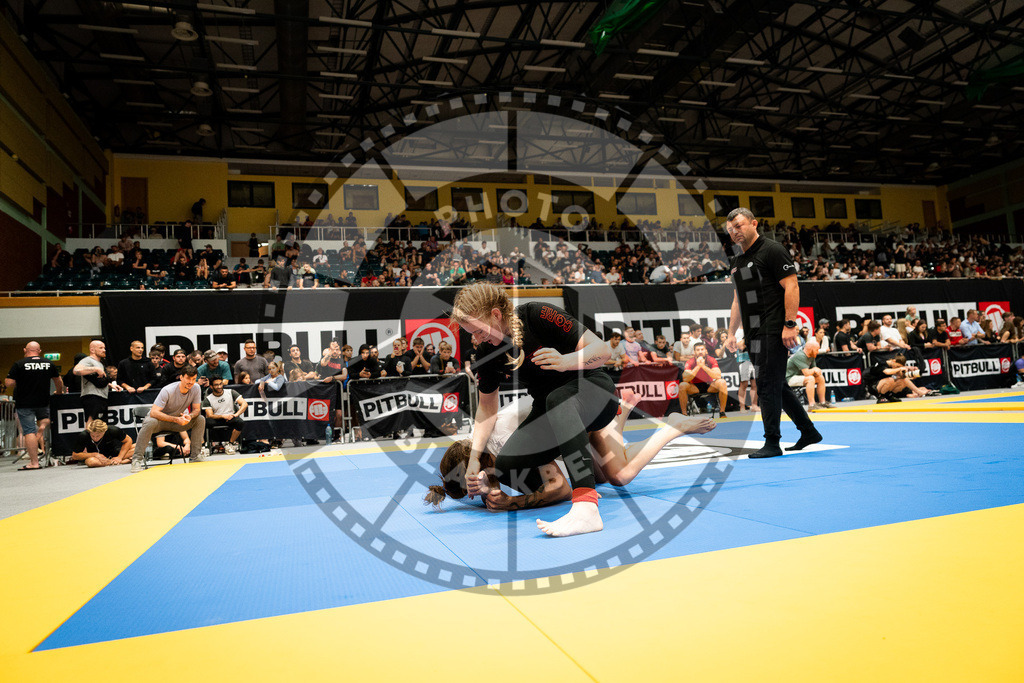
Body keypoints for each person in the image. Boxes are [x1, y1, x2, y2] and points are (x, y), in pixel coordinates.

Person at [450, 282, 617, 537]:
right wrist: (474, 457)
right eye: (470, 333)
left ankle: (586, 507)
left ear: (496, 314)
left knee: (558, 399)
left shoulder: (538, 314)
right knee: (507, 463)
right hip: (553, 409)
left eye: (479, 331)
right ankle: (561, 489)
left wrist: (566, 361)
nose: (476, 338)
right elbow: (486, 409)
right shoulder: (487, 353)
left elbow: (603, 350)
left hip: (596, 392)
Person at [426, 389, 717, 510]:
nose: (488, 488)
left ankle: (672, 427)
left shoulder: (504, 440)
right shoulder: (481, 448)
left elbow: (562, 489)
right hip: (569, 426)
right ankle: (624, 412)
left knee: (620, 475)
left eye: (480, 484)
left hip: (583, 414)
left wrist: (511, 504)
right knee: (599, 474)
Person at [725, 207, 819, 459]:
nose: (735, 232)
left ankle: (772, 442)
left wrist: (790, 324)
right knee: (776, 383)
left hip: (774, 329)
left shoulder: (773, 250)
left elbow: (791, 285)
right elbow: (737, 299)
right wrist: (731, 333)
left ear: (754, 224)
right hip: (754, 333)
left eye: (740, 225)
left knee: (766, 383)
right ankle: (808, 431)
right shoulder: (736, 262)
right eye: (731, 229)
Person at [130, 365, 207, 473]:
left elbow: (196, 409)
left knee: (200, 419)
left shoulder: (196, 388)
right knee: (150, 422)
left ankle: (195, 456)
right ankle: (136, 460)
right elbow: (153, 412)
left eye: (193, 379)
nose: (191, 382)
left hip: (176, 422)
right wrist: (176, 419)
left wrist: (190, 416)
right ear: (181, 377)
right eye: (188, 379)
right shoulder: (168, 390)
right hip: (159, 422)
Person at [4, 341, 64, 470]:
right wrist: (59, 392)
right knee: (45, 420)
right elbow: (58, 380)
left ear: (25, 350)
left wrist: (20, 380)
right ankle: (42, 426)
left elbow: (9, 383)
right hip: (43, 401)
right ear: (39, 351)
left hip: (24, 402)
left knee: (29, 431)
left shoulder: (19, 364)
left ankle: (34, 462)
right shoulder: (48, 363)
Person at [680, 342, 729, 417]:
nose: (700, 352)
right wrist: (698, 366)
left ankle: (722, 412)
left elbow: (718, 375)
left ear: (706, 351)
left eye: (702, 349)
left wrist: (703, 366)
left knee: (722, 382)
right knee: (682, 385)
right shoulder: (690, 362)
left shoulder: (711, 360)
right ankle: (684, 414)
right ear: (694, 352)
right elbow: (685, 378)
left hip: (709, 385)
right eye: (698, 350)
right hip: (694, 387)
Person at [202, 377, 247, 454]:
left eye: (220, 384)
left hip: (230, 417)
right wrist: (223, 416)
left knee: (240, 422)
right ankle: (203, 446)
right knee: (202, 422)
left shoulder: (231, 392)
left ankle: (230, 444)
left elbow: (244, 404)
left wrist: (236, 414)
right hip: (216, 419)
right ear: (211, 386)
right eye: (216, 385)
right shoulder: (208, 399)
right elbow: (209, 415)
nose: (219, 386)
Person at [786, 340, 831, 410]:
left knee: (820, 378)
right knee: (810, 379)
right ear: (811, 349)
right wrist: (815, 370)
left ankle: (823, 402)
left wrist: (815, 371)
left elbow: (815, 371)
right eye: (817, 350)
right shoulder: (800, 355)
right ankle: (812, 405)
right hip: (789, 378)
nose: (818, 351)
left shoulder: (812, 355)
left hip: (799, 376)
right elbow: (807, 373)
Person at [74, 340, 111, 422]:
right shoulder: (88, 360)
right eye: (101, 348)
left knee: (100, 426)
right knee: (91, 424)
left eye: (104, 348)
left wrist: (110, 385)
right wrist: (95, 369)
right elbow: (76, 370)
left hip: (101, 396)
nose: (104, 350)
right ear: (92, 350)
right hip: (92, 397)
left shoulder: (100, 363)